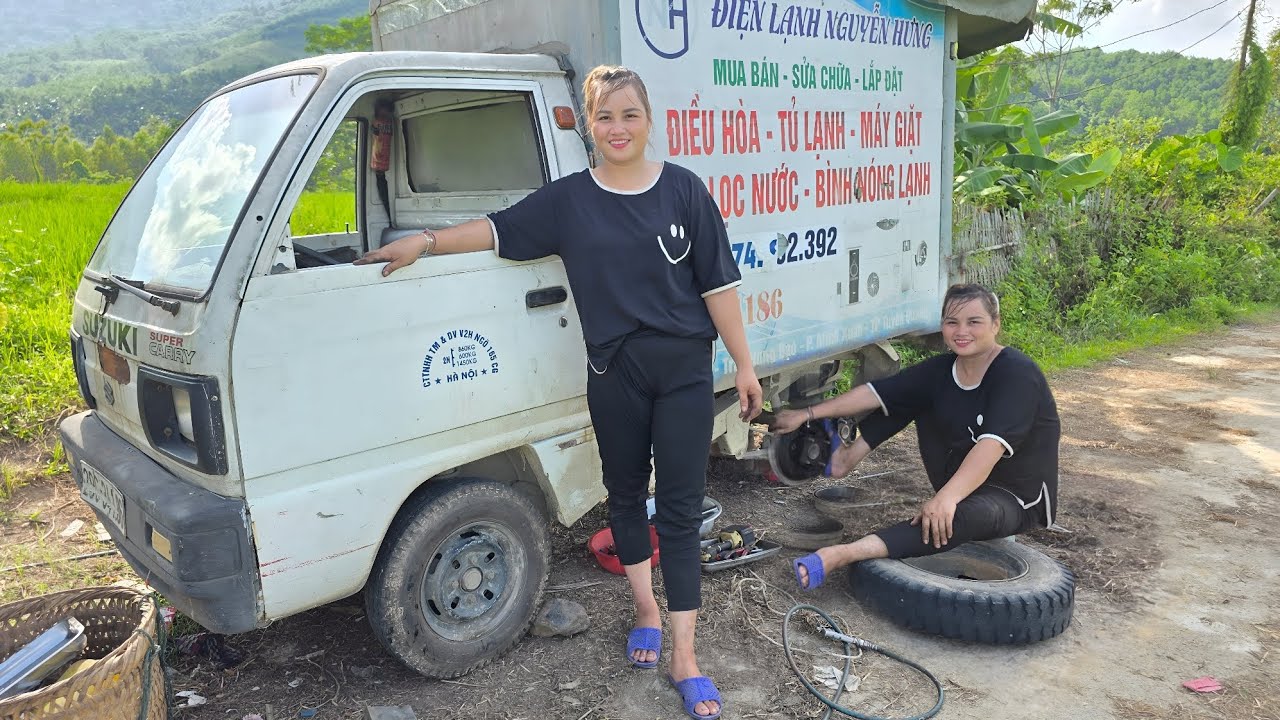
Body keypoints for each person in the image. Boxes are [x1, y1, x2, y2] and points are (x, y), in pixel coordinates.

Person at [355, 65, 760, 720]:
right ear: (590, 125)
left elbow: (718, 285)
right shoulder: (569, 200)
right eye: (605, 117)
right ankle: (646, 613)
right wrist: (425, 243)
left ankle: (685, 655)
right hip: (612, 374)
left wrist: (744, 364)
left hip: (685, 369)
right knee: (625, 497)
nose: (618, 127)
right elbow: (493, 229)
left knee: (680, 512)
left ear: (648, 119)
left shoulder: (684, 192)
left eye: (629, 114)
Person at [771, 283, 1059, 590]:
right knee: (909, 395)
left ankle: (841, 554)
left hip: (1017, 496)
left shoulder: (1017, 374)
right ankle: (844, 458)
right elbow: (876, 394)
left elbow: (989, 447)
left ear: (996, 324)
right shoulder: (942, 370)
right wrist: (807, 414)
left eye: (974, 322)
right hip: (962, 480)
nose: (962, 331)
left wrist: (946, 499)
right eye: (952, 322)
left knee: (956, 517)